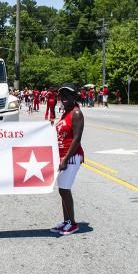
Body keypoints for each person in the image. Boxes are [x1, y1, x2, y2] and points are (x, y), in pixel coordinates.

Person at [51, 83, 84, 235]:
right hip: (63, 156)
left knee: (65, 190)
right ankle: (66, 221)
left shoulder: (76, 113)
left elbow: (76, 139)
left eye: (68, 94)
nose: (64, 97)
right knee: (62, 190)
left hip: (71, 157)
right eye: (61, 95)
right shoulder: (66, 113)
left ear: (75, 96)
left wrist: (65, 159)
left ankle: (72, 223)